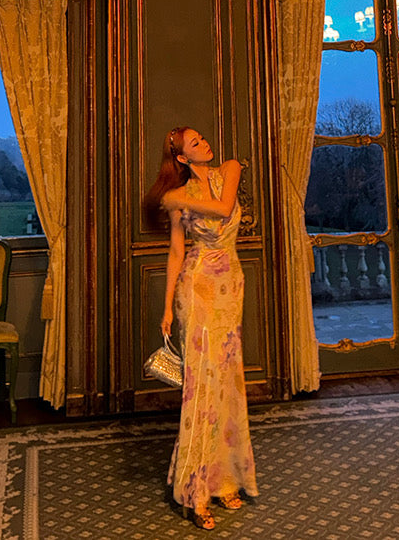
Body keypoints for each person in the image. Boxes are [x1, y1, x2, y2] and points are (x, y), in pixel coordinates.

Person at [144, 127, 258, 530]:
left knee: (228, 381)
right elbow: (177, 251)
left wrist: (177, 199)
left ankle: (225, 478)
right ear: (182, 158)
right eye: (195, 144)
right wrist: (167, 306)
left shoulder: (230, 169)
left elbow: (224, 209)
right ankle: (196, 489)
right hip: (197, 289)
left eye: (203, 138)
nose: (205, 144)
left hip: (230, 284)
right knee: (202, 387)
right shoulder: (179, 197)